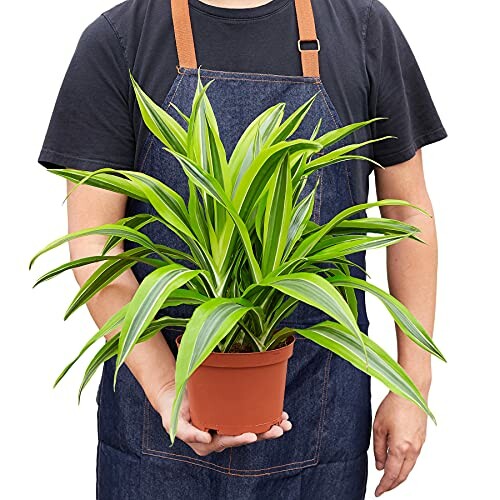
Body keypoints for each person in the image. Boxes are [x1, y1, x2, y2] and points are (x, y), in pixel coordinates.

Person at [38, 0, 447, 498]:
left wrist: (412, 385)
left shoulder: (361, 28)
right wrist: (167, 385)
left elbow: (408, 215)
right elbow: (97, 247)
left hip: (319, 412)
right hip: (159, 419)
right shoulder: (120, 38)